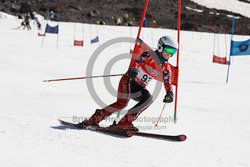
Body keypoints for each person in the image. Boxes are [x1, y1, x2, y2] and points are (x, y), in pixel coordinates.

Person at [82, 36, 178, 131]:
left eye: (173, 52)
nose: (169, 54)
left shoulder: (166, 67)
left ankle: (124, 123)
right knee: (122, 103)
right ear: (161, 47)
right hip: (128, 81)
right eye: (168, 50)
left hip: (139, 88)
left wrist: (170, 93)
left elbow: (167, 82)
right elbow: (137, 62)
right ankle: (92, 120)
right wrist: (134, 69)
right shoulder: (148, 55)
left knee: (148, 99)